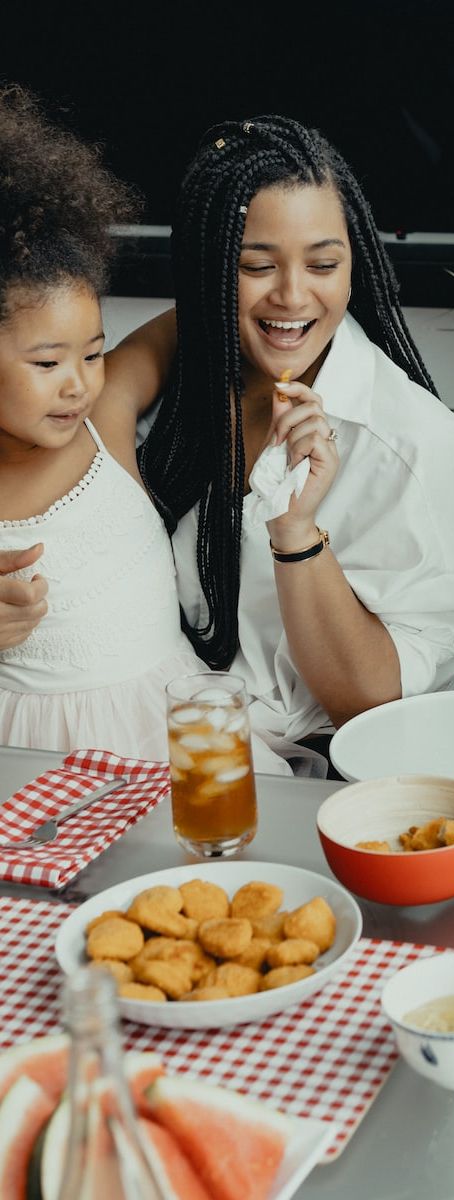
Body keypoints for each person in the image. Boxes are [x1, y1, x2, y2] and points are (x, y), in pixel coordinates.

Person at [115, 115, 454, 763]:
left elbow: (370, 708)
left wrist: (297, 534)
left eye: (324, 263)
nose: (294, 296)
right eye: (255, 265)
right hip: (169, 739)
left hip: (324, 776)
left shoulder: (412, 449)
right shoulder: (175, 389)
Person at [0, 85, 231, 763]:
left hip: (173, 738)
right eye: (47, 362)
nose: (79, 382)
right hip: (27, 761)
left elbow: (206, 312)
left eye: (94, 352)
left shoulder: (104, 418)